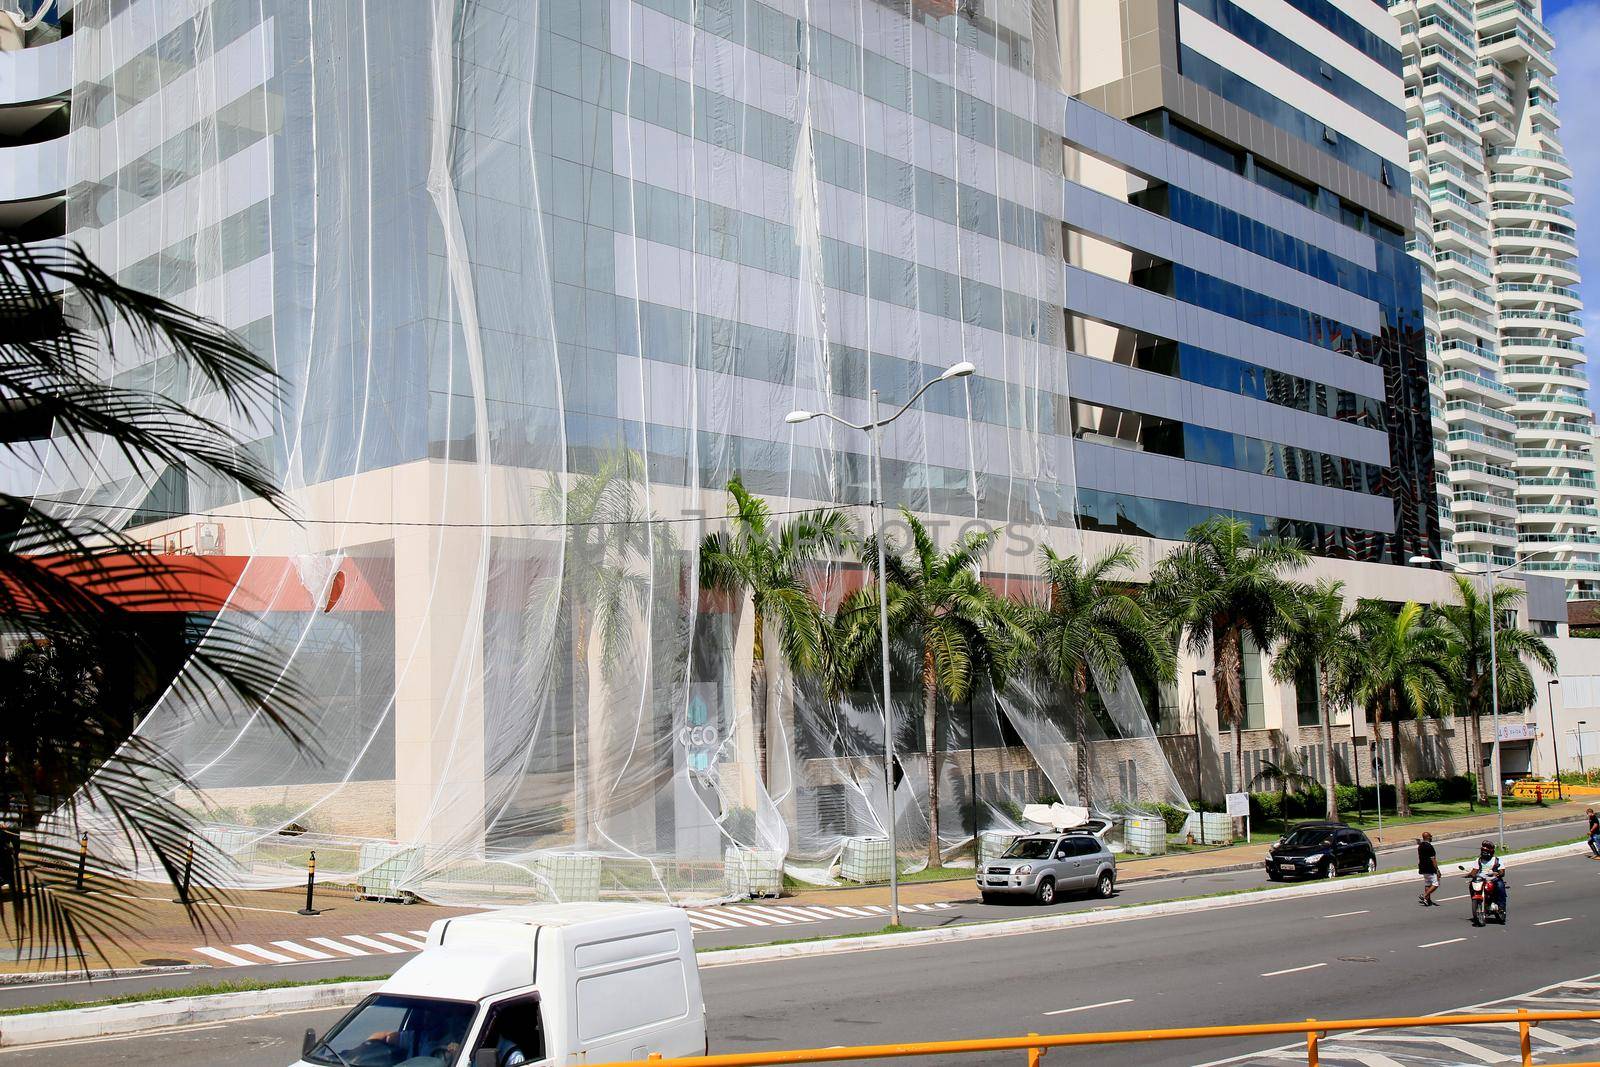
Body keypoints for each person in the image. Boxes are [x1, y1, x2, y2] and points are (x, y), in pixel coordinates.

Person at [1471, 840, 1507, 917]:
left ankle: (1501, 907)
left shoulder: (1497, 860)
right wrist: (1469, 875)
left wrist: (1496, 873)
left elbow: (1502, 872)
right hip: (1481, 879)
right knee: (1471, 884)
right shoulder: (1478, 860)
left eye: (1486, 851)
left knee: (1500, 886)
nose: (1484, 853)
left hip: (1494, 879)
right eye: (1483, 851)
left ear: (1491, 851)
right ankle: (1476, 902)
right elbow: (1474, 871)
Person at [1417, 831, 1440, 906]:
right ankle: (1425, 895)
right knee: (1436, 884)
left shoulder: (1420, 846)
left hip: (1422, 867)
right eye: (1430, 836)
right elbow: (1433, 859)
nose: (1431, 837)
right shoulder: (1430, 846)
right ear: (1428, 837)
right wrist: (1437, 870)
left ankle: (1427, 900)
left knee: (1427, 884)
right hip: (1430, 868)